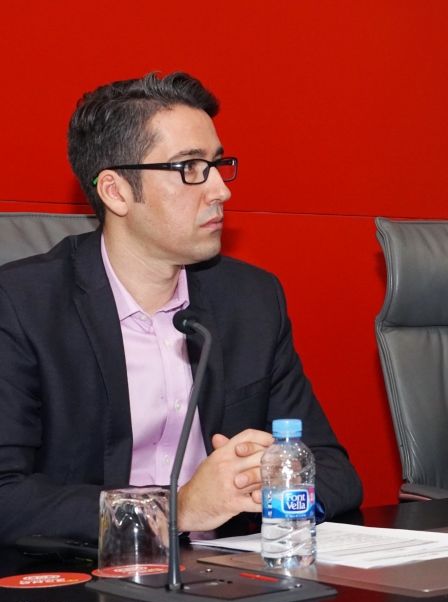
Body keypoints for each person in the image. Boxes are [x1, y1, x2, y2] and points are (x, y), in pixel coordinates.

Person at [0, 72, 362, 544]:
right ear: (115, 191)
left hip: (225, 574)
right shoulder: (22, 305)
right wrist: (176, 508)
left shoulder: (250, 300)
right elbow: (7, 496)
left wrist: (263, 483)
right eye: (190, 167)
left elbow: (332, 470)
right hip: (86, 576)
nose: (220, 190)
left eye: (217, 164)